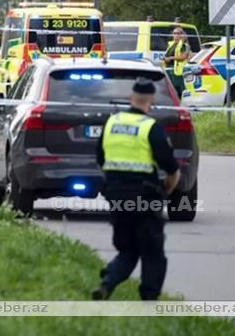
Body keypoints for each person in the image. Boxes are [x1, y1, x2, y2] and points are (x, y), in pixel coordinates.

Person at [92, 78, 180, 301]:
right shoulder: (151, 128)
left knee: (128, 250)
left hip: (116, 196)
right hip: (145, 198)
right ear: (151, 101)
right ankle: (149, 301)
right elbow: (171, 168)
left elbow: (100, 159)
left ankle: (107, 283)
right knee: (152, 252)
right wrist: (167, 190)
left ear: (131, 98)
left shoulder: (112, 123)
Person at [163, 27, 189, 98]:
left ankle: (183, 102)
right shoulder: (171, 45)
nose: (175, 35)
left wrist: (171, 58)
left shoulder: (183, 45)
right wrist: (165, 59)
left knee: (179, 88)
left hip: (178, 70)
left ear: (181, 35)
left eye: (178, 33)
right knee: (171, 88)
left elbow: (183, 57)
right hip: (169, 69)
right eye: (174, 33)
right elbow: (167, 55)